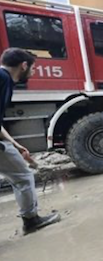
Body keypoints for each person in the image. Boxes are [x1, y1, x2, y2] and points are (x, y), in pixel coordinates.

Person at [0, 48, 61, 234]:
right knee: (23, 177)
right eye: (33, 67)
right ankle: (31, 221)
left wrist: (15, 145)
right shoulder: (3, 79)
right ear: (23, 65)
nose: (33, 72)